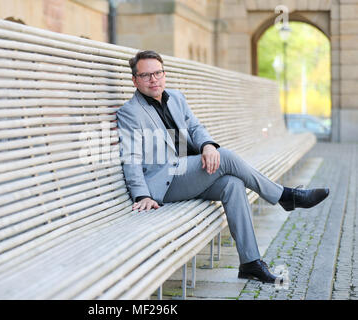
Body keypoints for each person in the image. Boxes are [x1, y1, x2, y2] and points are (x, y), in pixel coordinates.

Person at [116, 50, 329, 284]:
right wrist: (142, 195)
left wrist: (207, 145)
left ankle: (250, 263)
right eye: (146, 75)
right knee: (225, 156)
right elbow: (131, 157)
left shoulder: (175, 98)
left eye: (157, 73)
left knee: (233, 184)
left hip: (191, 171)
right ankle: (285, 195)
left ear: (164, 74)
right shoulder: (131, 112)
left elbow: (196, 128)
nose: (153, 79)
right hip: (166, 182)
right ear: (135, 80)